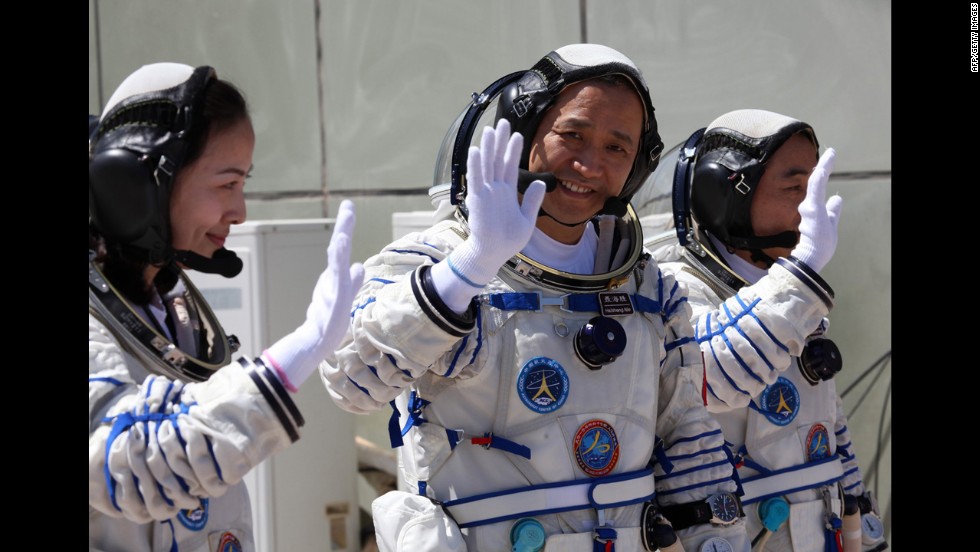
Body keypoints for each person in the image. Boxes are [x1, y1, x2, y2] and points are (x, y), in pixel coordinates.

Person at [321, 43, 750, 552]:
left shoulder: (649, 288)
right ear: (523, 132)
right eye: (572, 134)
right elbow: (350, 380)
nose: (590, 164)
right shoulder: (439, 261)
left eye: (617, 147)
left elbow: (689, 440)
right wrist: (472, 266)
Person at [88, 62, 364, 552]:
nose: (239, 211)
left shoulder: (169, 311)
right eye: (225, 184)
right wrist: (289, 359)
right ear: (138, 186)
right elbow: (130, 465)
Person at [645, 109, 888, 551]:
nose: (809, 204)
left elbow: (830, 435)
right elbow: (708, 376)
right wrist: (802, 274)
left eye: (815, 187)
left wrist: (861, 525)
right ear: (727, 196)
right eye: (795, 187)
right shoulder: (672, 288)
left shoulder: (790, 294)